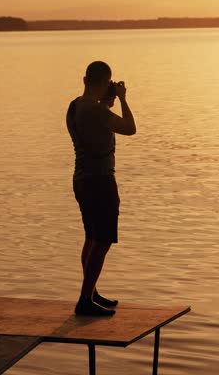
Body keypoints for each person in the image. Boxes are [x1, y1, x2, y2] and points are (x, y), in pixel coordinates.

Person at [66, 61, 136, 316]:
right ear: (107, 83)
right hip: (100, 181)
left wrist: (107, 102)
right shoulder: (96, 111)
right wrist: (123, 99)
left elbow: (94, 127)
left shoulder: (75, 106)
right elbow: (130, 128)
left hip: (81, 179)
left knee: (91, 237)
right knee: (103, 239)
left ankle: (91, 291)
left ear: (85, 80)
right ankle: (85, 299)